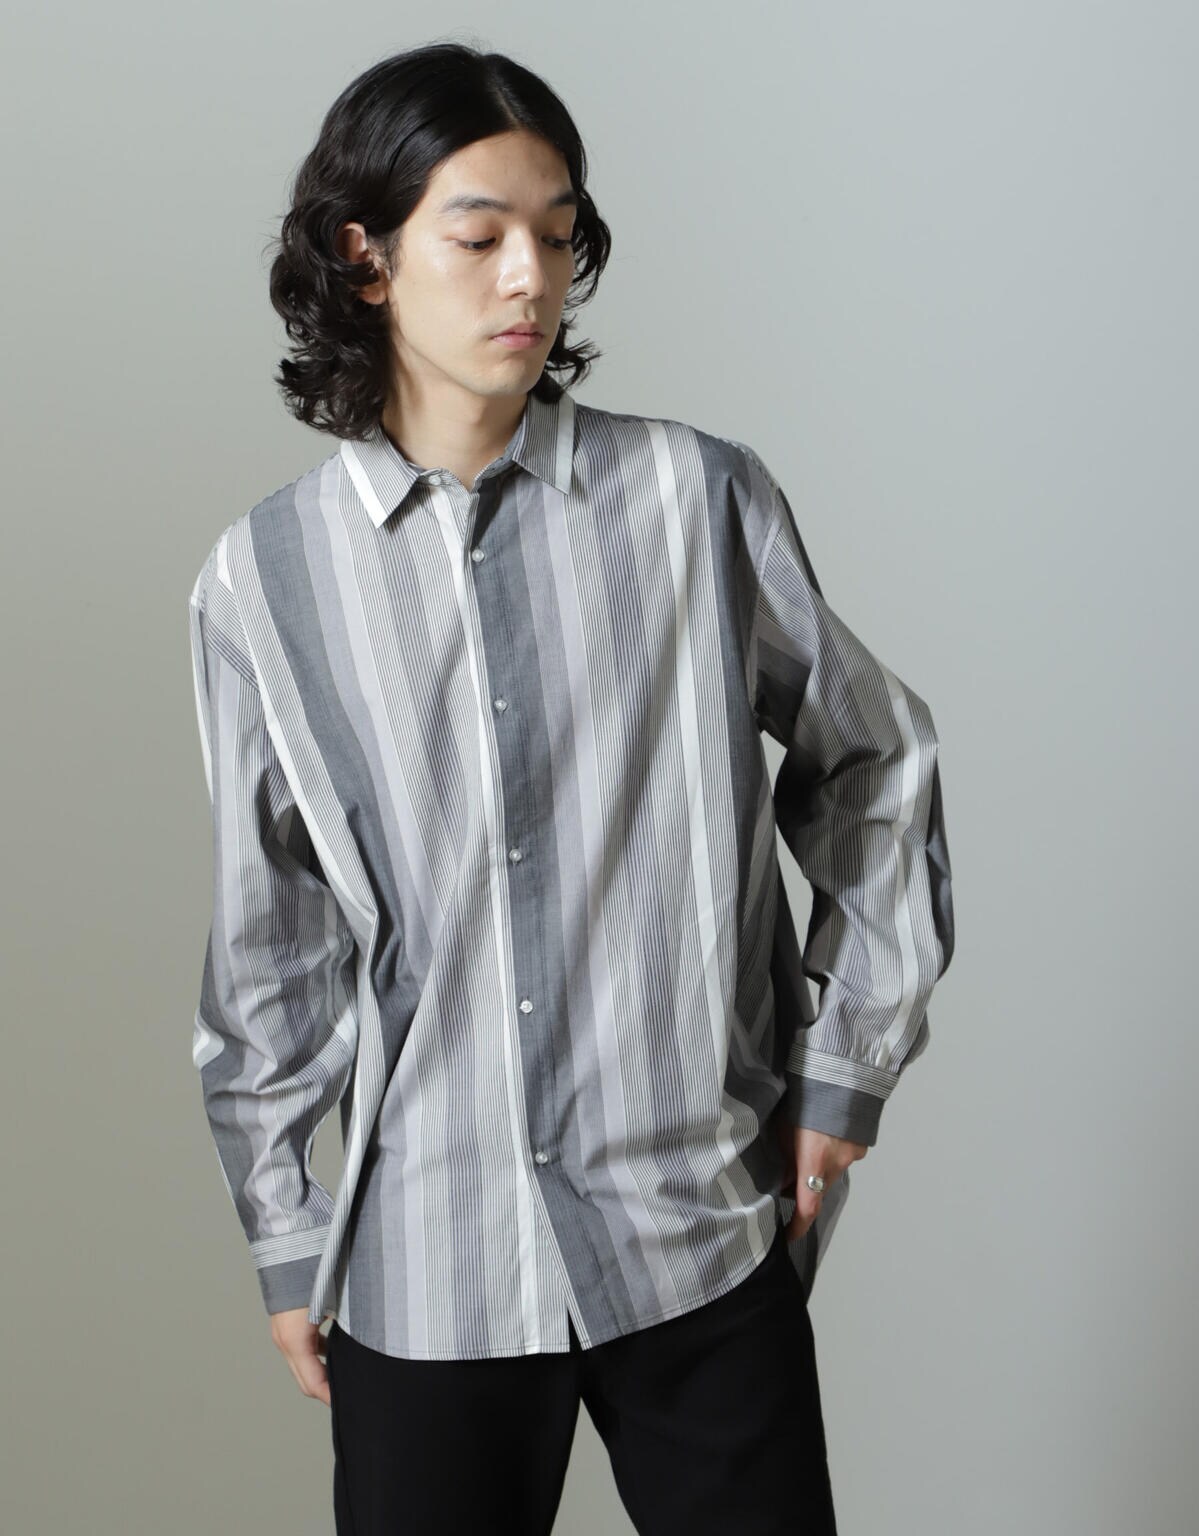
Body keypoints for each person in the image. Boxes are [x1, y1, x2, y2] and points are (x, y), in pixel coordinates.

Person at [186, 40, 956, 1536]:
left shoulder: (693, 500)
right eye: (479, 237)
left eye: (556, 234)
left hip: (696, 1231)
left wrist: (846, 1066)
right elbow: (269, 943)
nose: (529, 278)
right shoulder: (263, 583)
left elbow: (876, 758)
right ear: (364, 253)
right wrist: (286, 1229)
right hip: (429, 1267)